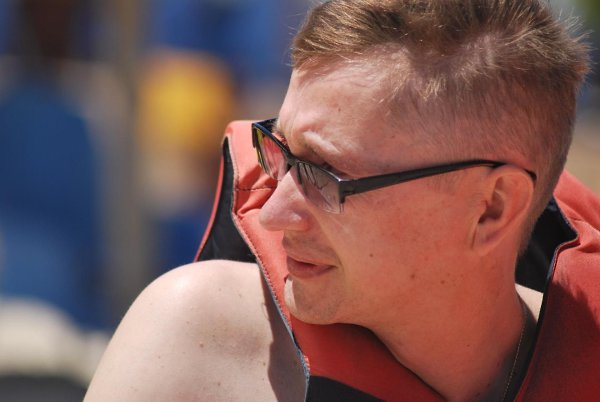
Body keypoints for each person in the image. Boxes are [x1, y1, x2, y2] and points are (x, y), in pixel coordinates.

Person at [85, 0, 600, 401]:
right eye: (280, 151)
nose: (272, 213)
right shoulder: (201, 343)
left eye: (325, 176)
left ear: (492, 210)